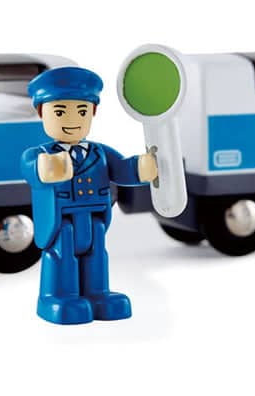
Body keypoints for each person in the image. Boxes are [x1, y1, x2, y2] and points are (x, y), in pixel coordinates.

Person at [21, 66, 156, 325]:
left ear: (93, 112)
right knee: (62, 254)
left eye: (82, 111)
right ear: (41, 112)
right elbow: (29, 168)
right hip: (61, 220)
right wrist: (43, 167)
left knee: (96, 254)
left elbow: (122, 169)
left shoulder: (99, 152)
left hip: (95, 217)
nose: (73, 119)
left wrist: (141, 167)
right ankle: (58, 296)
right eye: (60, 112)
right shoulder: (40, 154)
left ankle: (97, 293)